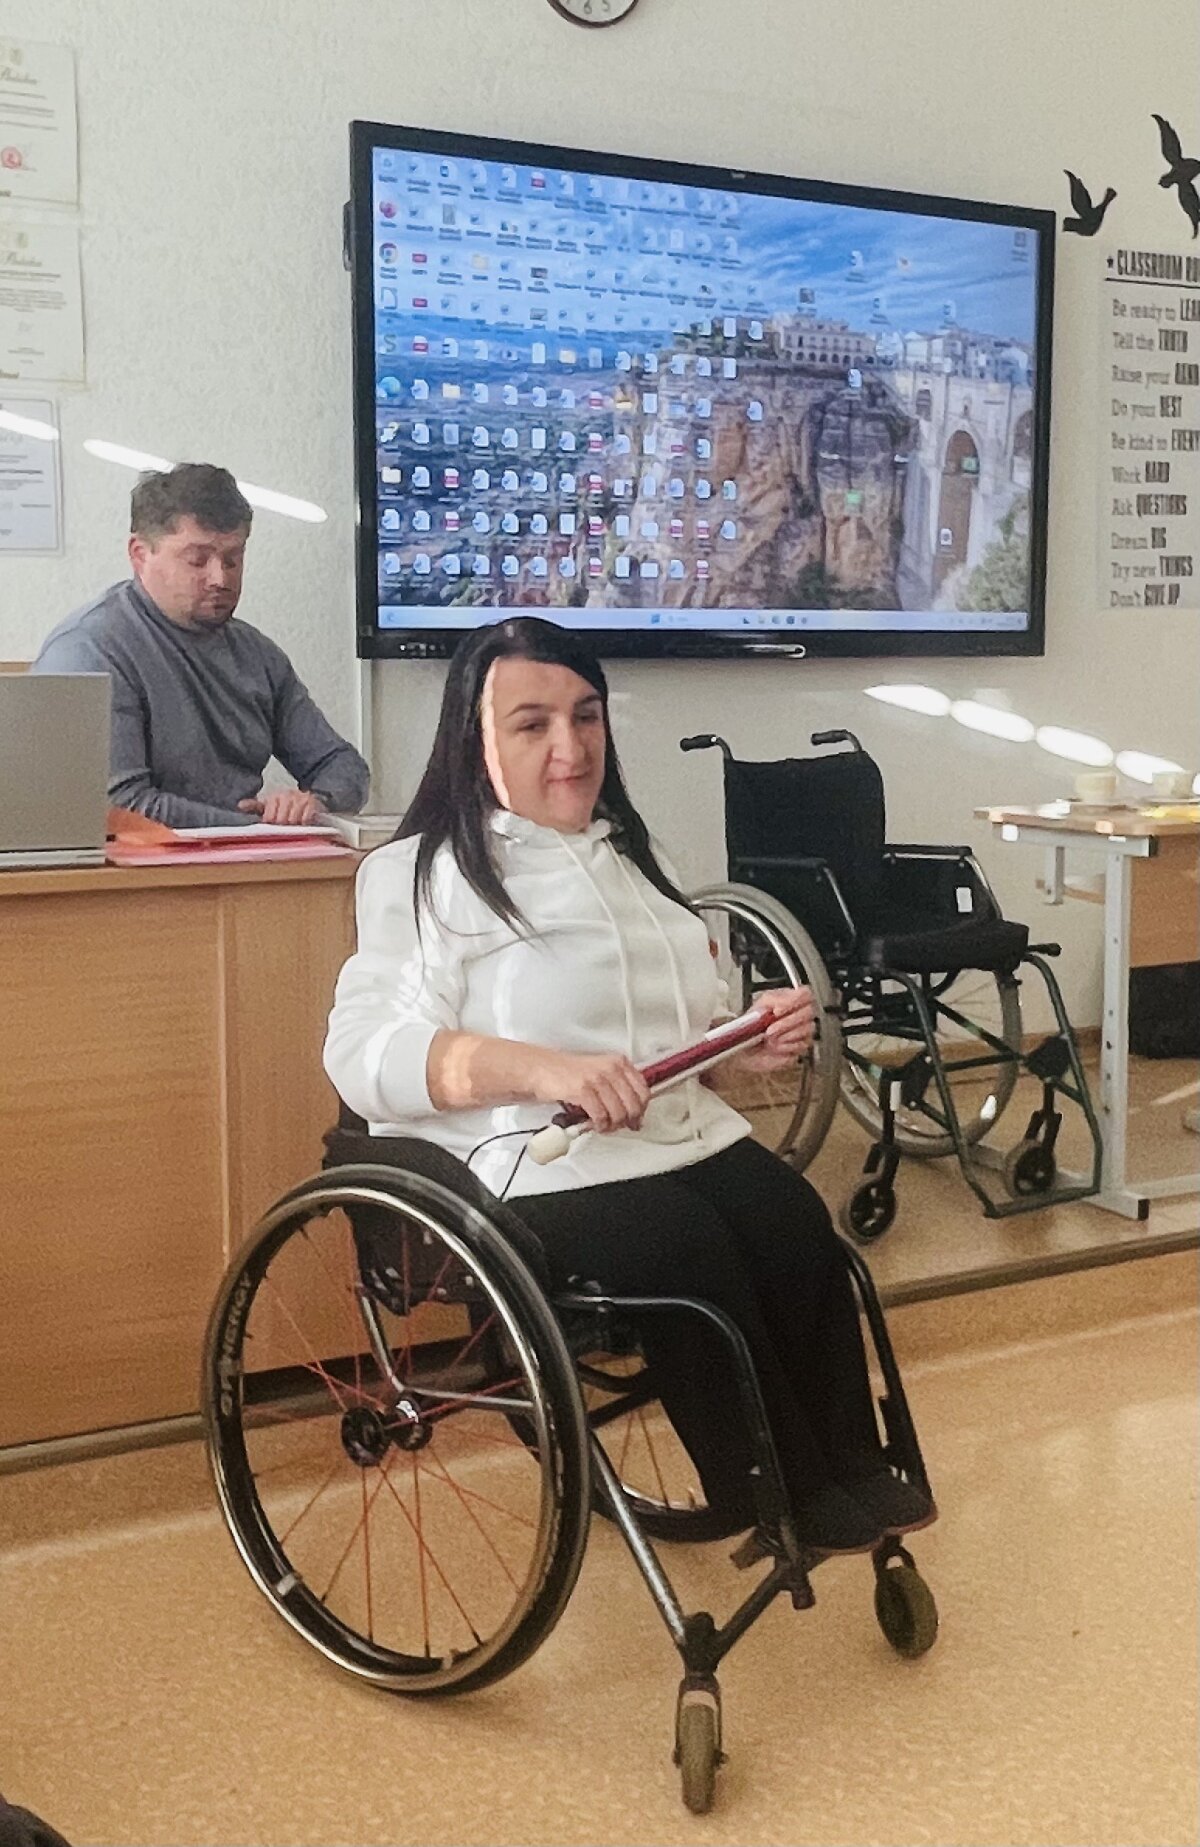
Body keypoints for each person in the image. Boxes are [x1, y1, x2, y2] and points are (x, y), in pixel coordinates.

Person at [323, 616, 934, 1554]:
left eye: (586, 716)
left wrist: (745, 1039)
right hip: (527, 1158)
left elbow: (682, 1033)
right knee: (687, 1250)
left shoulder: (637, 859)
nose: (570, 748)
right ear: (474, 740)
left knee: (792, 1222)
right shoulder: (420, 874)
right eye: (532, 724)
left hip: (671, 1134)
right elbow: (365, 1049)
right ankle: (774, 1491)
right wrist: (544, 1067)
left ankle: (847, 1464)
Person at [31, 463, 370, 828]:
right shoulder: (89, 651)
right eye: (197, 560)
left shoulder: (259, 655)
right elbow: (120, 808)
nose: (219, 578)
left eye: (233, 559)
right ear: (140, 554)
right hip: (138, 861)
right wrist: (257, 829)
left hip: (250, 853)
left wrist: (315, 801)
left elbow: (344, 766)